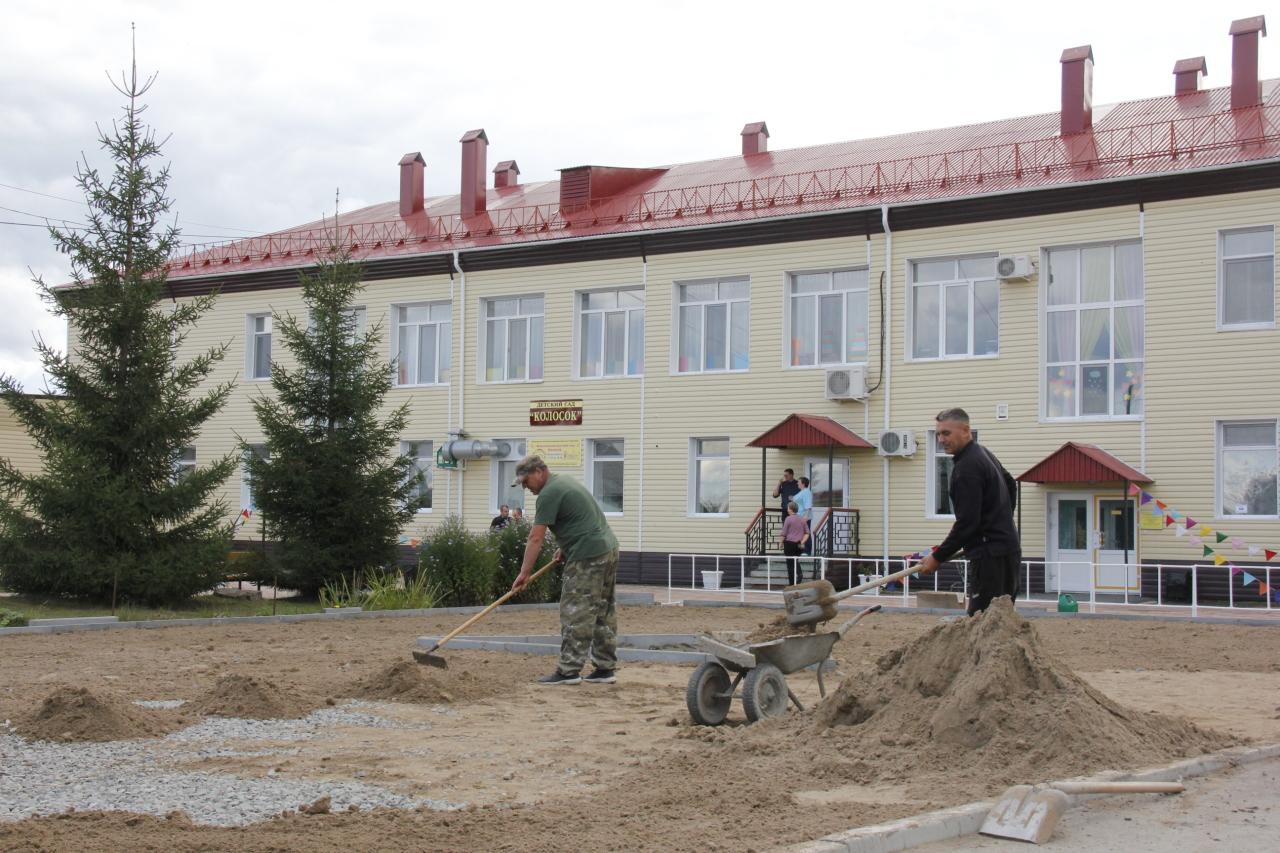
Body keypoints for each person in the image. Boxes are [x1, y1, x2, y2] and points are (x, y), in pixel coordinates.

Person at [510, 455, 620, 686]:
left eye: (526, 480)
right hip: (607, 548)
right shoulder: (564, 481)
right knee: (602, 610)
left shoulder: (549, 493)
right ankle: (605, 668)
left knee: (576, 611)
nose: (525, 486)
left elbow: (535, 538)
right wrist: (565, 546)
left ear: (539, 472)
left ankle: (569, 670)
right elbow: (579, 517)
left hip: (588, 555)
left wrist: (524, 573)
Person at [913, 408, 1020, 616]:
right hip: (1007, 550)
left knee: (982, 618)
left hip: (990, 557)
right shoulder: (982, 452)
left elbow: (967, 523)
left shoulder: (966, 468)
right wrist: (1001, 521)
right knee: (1002, 618)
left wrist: (937, 557)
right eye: (938, 435)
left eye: (946, 433)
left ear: (965, 430)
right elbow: (1010, 484)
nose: (941, 440)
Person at [779, 501, 810, 585]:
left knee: (790, 563)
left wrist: (781, 542)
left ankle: (792, 583)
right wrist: (802, 542)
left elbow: (784, 532)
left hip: (789, 543)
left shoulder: (788, 519)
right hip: (798, 544)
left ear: (791, 509)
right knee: (795, 561)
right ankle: (799, 575)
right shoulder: (802, 519)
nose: (787, 510)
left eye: (788, 508)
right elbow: (807, 533)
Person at [794, 476, 814, 555]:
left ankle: (806, 550)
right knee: (800, 534)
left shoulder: (807, 492)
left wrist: (806, 516)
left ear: (803, 484)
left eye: (799, 482)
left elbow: (808, 505)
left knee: (806, 533)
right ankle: (800, 549)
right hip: (798, 516)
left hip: (803, 516)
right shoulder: (801, 492)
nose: (797, 483)